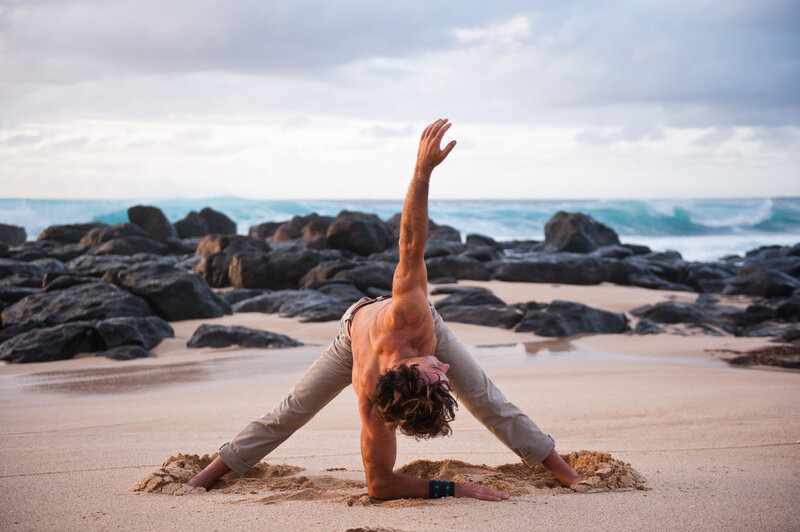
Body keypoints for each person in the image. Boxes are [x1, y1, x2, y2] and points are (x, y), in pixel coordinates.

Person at [188, 119, 581, 500]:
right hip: (354, 340)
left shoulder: (410, 312)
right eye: (443, 376)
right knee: (292, 410)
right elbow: (379, 486)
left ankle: (568, 475)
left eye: (438, 374)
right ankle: (204, 478)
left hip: (410, 328)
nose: (446, 368)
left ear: (407, 370)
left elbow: (410, 244)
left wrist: (423, 173)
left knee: (485, 398)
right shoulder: (370, 393)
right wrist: (454, 488)